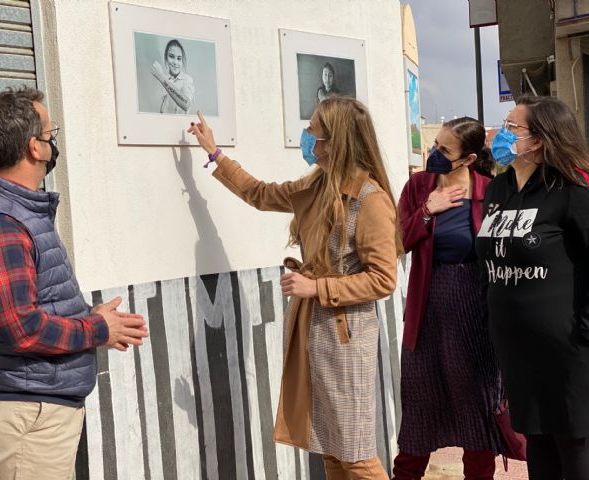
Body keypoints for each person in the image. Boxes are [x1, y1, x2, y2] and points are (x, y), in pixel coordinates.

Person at [189, 97, 399, 479]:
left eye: (313, 129)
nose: (306, 135)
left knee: (354, 452)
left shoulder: (370, 200)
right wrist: (215, 154)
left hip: (346, 335)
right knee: (330, 450)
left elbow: (383, 279)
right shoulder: (318, 184)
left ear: (334, 141)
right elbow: (260, 193)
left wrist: (316, 287)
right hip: (315, 329)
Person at [0, 87, 149, 480]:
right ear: (34, 148)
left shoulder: (20, 212)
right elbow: (22, 329)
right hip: (30, 415)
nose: (54, 141)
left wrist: (88, 321)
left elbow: (31, 308)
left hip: (38, 407)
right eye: (49, 133)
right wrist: (97, 328)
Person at [477, 95, 589, 480]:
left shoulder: (571, 189)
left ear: (539, 140)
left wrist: (585, 328)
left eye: (512, 128)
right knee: (537, 448)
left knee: (575, 450)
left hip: (568, 348)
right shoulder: (497, 191)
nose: (501, 134)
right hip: (517, 349)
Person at [393, 117, 502, 480]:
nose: (434, 153)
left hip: (476, 315)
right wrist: (427, 210)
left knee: (478, 412)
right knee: (420, 408)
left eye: (444, 149)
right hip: (427, 313)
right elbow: (397, 242)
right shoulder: (418, 186)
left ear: (468, 159)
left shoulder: (492, 191)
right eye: (435, 145)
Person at [151, 39, 195, 114]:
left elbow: (186, 104)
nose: (175, 62)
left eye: (179, 58)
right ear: (166, 58)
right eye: (171, 56)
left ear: (182, 61)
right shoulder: (164, 79)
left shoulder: (187, 80)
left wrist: (161, 77)